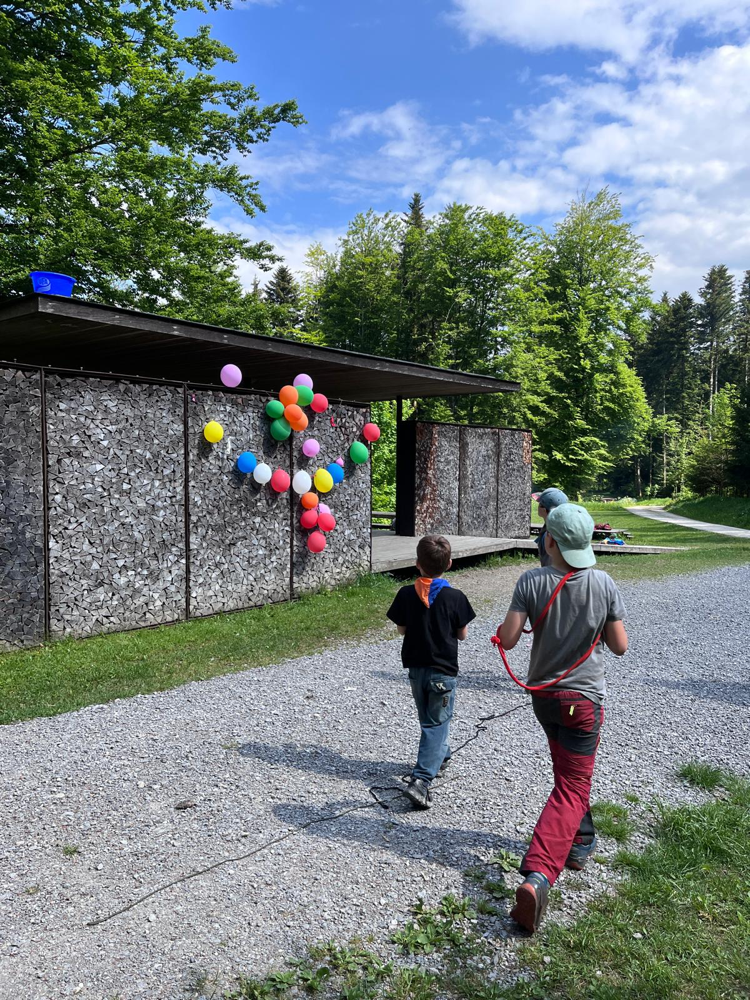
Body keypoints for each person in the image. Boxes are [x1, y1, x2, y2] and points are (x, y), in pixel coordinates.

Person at [496, 504, 628, 933]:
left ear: (549, 540)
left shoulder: (531, 581)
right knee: (573, 785)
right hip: (583, 701)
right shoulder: (603, 583)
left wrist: (508, 626)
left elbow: (509, 640)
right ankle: (539, 874)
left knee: (567, 776)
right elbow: (620, 645)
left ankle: (580, 840)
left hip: (545, 699)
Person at [386, 534, 476, 810]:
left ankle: (441, 756)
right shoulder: (455, 597)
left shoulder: (405, 593)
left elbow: (401, 629)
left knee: (429, 718)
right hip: (443, 672)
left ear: (417, 563)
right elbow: (462, 634)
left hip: (416, 669)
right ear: (449, 564)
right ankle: (422, 781)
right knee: (436, 723)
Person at [535, 488, 568, 566]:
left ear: (544, 510)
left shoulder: (548, 535)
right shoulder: (559, 527)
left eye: (539, 504)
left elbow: (550, 563)